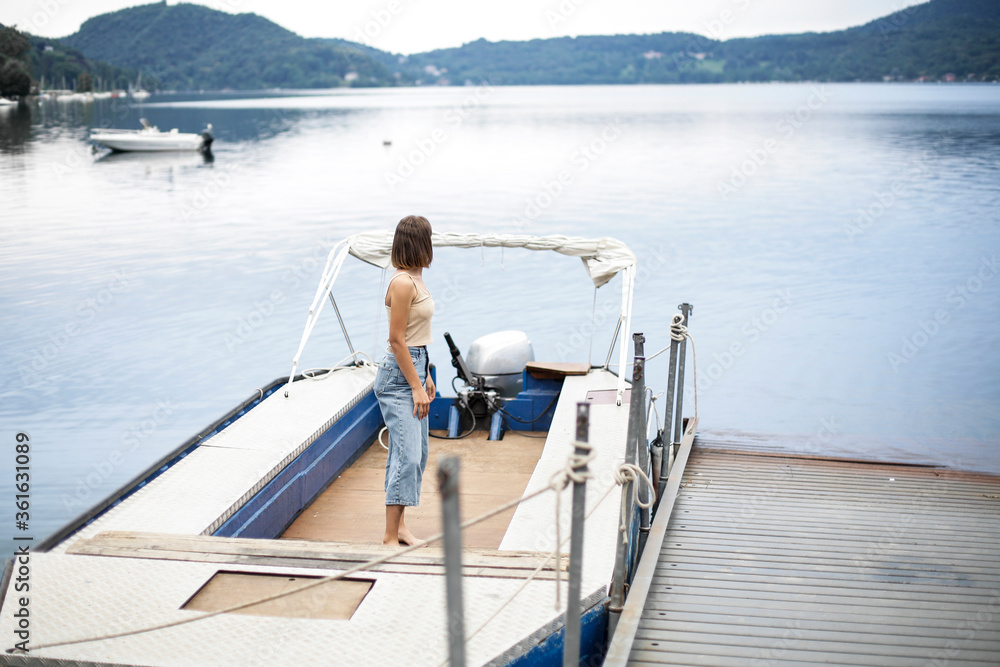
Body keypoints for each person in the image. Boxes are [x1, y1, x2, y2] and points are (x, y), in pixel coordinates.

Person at [374, 215, 436, 547]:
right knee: (407, 456)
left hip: (415, 366)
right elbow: (397, 339)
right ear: (420, 242)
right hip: (398, 378)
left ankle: (400, 528)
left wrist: (425, 375)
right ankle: (388, 537)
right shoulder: (402, 283)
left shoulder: (417, 279)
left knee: (415, 454)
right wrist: (414, 384)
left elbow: (417, 336)